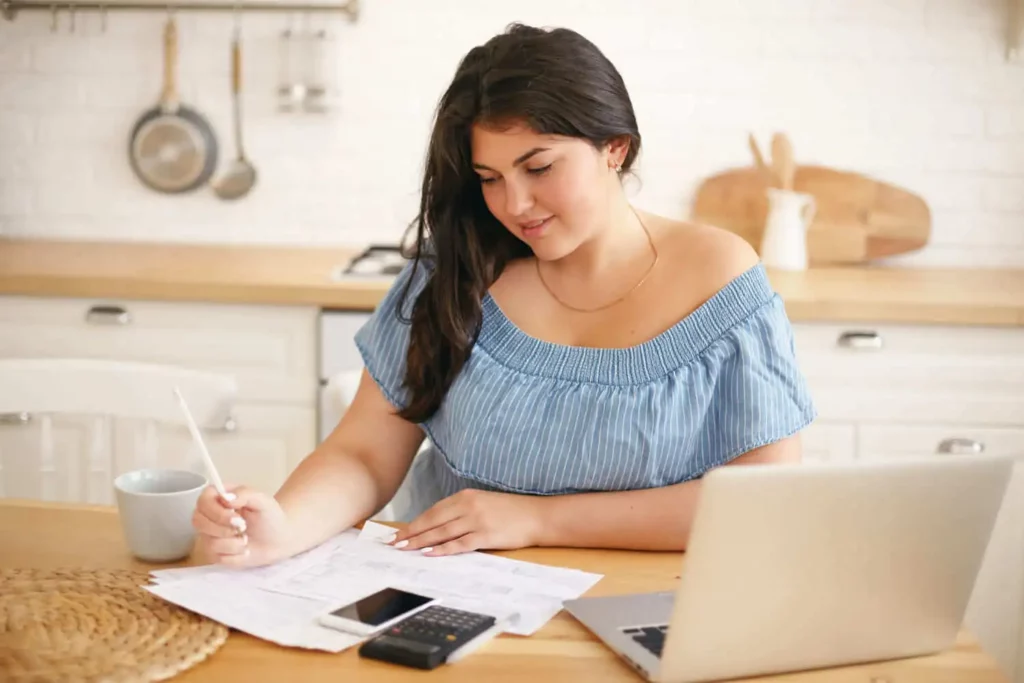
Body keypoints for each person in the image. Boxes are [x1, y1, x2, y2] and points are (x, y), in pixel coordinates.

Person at [192, 23, 816, 567]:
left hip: (654, 603)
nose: (514, 205)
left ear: (614, 148)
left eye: (539, 168)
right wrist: (284, 527)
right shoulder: (456, 270)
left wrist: (538, 520)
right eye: (490, 178)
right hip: (451, 604)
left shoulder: (720, 275)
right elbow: (363, 453)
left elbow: (765, 497)